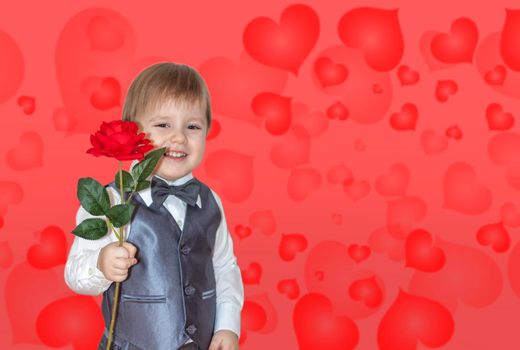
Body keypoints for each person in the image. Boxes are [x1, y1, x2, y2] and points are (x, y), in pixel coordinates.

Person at [64, 62, 244, 350]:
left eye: (193, 126)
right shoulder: (111, 201)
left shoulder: (210, 202)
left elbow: (224, 266)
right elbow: (74, 274)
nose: (179, 138)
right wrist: (101, 265)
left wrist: (227, 325)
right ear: (133, 131)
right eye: (163, 125)